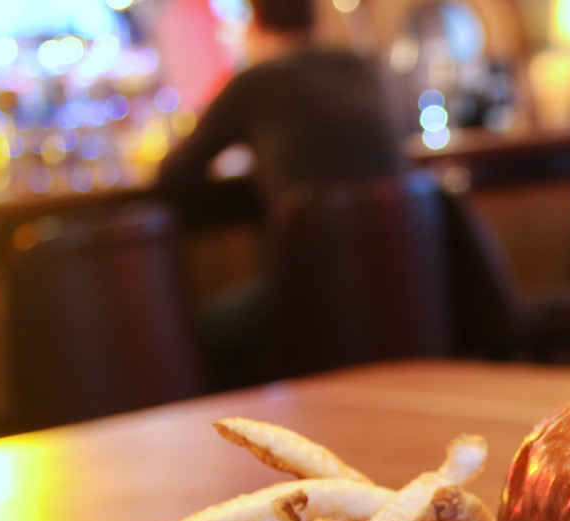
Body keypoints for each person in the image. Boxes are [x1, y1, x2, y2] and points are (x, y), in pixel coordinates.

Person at [155, 0, 405, 385]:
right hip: (406, 283)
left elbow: (174, 174)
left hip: (308, 296)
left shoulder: (254, 82)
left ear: (255, 23)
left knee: (183, 337)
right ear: (317, 17)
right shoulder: (364, 68)